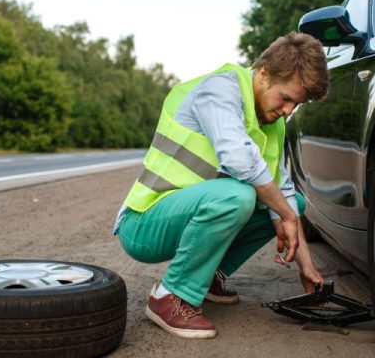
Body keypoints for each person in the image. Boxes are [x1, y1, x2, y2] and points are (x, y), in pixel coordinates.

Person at [113, 32, 330, 339]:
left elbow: (283, 195)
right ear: (265, 74)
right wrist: (287, 215)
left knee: (291, 205)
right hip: (144, 222)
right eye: (286, 98)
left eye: (296, 103)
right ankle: (169, 297)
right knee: (241, 196)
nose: (288, 111)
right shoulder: (219, 90)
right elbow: (239, 160)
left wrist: (306, 267)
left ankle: (206, 274)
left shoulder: (273, 124)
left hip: (187, 214)